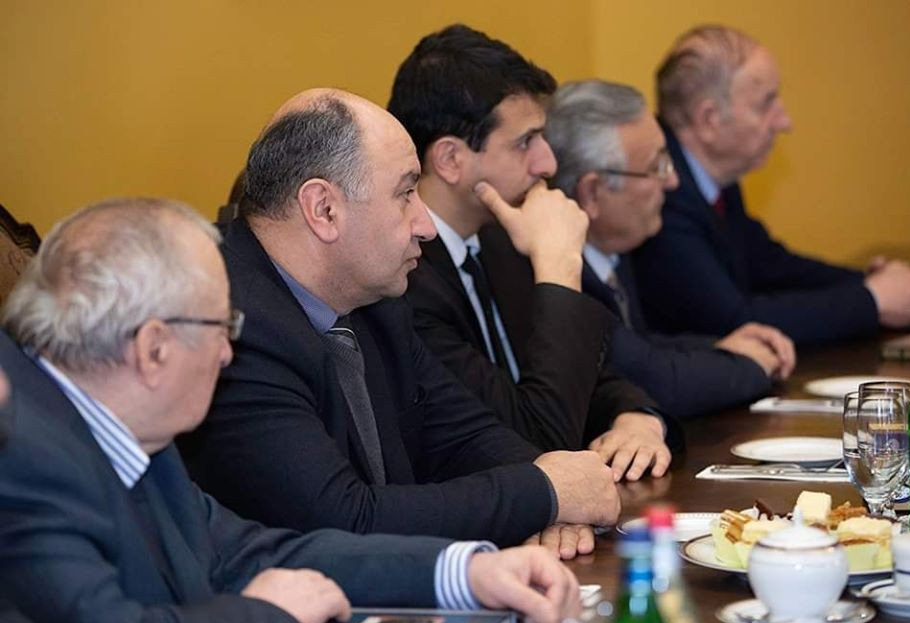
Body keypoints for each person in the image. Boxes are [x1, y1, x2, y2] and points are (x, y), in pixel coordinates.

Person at [0, 198, 582, 623]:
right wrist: (267, 615)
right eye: (221, 328)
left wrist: (466, 572)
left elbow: (249, 553)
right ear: (153, 350)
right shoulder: (23, 453)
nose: (227, 354)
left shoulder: (127, 426)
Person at [179, 88, 620, 560]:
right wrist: (544, 492)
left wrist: (561, 491)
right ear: (324, 209)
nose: (425, 226)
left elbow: (463, 435)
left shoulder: (374, 301)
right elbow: (345, 522)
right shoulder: (228, 324)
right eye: (406, 193)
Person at [390, 25, 681, 518]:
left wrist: (637, 418)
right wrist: (558, 269)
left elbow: (590, 375)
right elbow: (539, 441)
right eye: (526, 142)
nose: (547, 163)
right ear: (451, 159)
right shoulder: (405, 283)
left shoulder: (499, 237)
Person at [630, 24, 910, 345]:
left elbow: (769, 265)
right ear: (710, 119)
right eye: (766, 104)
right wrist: (872, 301)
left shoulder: (713, 175)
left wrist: (870, 282)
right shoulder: (661, 193)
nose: (784, 122)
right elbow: (735, 323)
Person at [543, 79, 795, 418]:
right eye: (656, 166)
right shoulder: (562, 275)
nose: (673, 181)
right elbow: (652, 380)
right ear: (592, 193)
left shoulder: (613, 251)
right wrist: (751, 365)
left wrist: (720, 347)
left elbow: (642, 346)